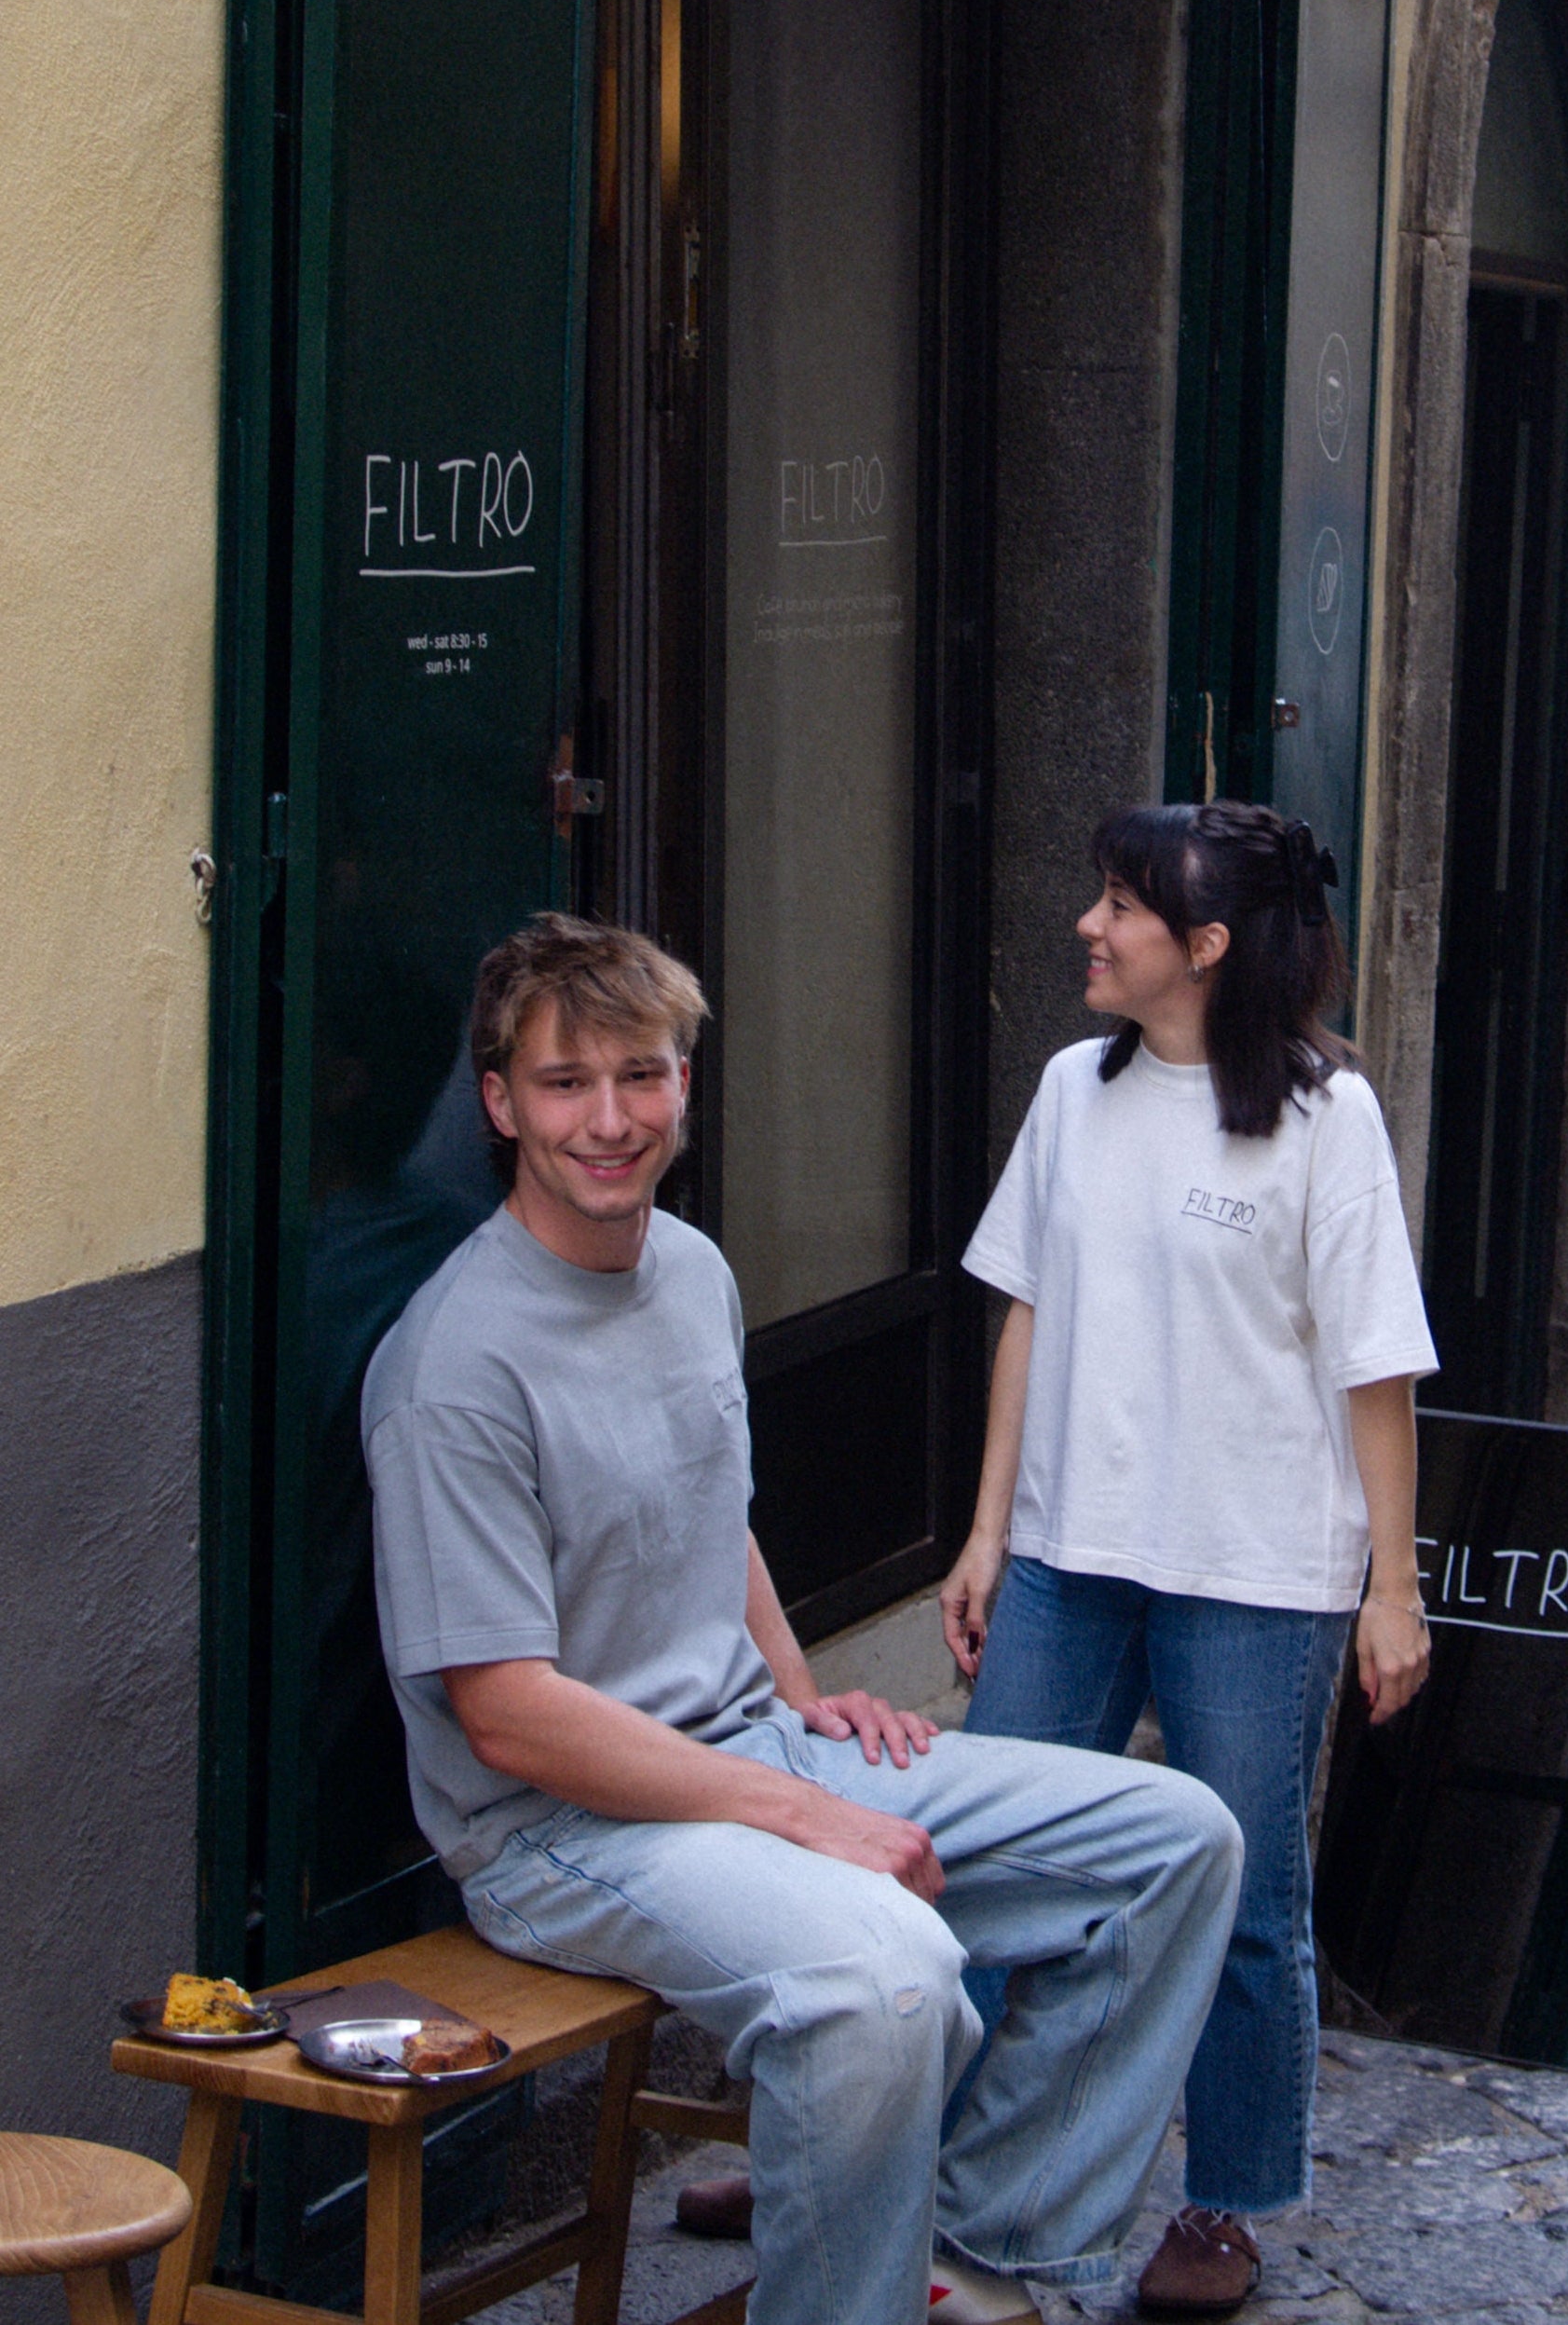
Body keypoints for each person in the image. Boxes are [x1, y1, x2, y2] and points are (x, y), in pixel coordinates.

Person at [361, 912, 1243, 2325]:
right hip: (558, 1829)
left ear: (684, 1084)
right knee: (883, 1981)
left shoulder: (692, 1271)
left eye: (641, 1076)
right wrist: (799, 1813)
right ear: (500, 1101)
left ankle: (972, 2257)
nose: (610, 1119)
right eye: (567, 1083)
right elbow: (508, 1713)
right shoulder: (455, 1367)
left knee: (1174, 1841)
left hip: (752, 1749)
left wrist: (797, 1686)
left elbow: (714, 1508)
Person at [938, 803, 1438, 2320]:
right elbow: (1023, 1306)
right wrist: (982, 1529)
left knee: (1246, 1896)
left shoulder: (1321, 1117)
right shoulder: (1068, 1091)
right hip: (1067, 1548)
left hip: (1257, 1569)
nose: (1089, 925)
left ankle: (1225, 2196)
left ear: (1207, 946)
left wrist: (1391, 1582)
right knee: (964, 1863)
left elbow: (1373, 1368)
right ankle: (901, 2142)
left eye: (1121, 905)